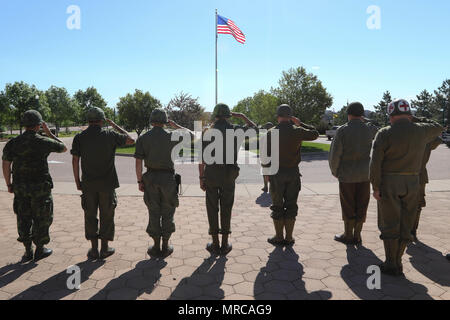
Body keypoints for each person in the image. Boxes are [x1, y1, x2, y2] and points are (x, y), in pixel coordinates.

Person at [370, 99, 443, 276]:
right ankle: (399, 260)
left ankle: (390, 263)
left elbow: (375, 163)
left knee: (389, 223)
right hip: (413, 183)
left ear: (391, 115)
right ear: (409, 114)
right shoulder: (421, 130)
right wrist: (413, 118)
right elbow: (438, 126)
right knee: (406, 222)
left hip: (390, 183)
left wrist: (375, 186)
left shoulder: (384, 133)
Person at [2, 110, 67, 261]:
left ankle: (27, 250)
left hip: (21, 187)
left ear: (24, 125)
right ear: (39, 125)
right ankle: (40, 248)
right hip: (40, 188)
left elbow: (6, 164)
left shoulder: (13, 143)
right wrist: (49, 133)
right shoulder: (43, 141)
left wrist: (8, 184)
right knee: (42, 217)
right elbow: (63, 147)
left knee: (23, 217)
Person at [71, 107, 135, 260]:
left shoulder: (79, 137)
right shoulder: (110, 135)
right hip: (107, 184)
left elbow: (75, 160)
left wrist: (77, 181)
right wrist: (115, 126)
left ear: (88, 120)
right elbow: (131, 139)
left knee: (90, 215)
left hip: (88, 184)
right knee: (107, 215)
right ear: (102, 120)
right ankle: (105, 249)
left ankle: (94, 249)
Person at [199, 103, 256, 255]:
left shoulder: (207, 131)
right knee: (226, 207)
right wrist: (242, 116)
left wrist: (201, 177)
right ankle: (225, 243)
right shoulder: (235, 130)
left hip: (211, 173)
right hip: (229, 174)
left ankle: (215, 243)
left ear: (215, 115)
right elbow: (254, 128)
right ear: (229, 115)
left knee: (212, 207)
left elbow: (201, 159)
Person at [135, 109, 192, 258]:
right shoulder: (173, 136)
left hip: (151, 178)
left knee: (153, 211)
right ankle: (166, 245)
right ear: (165, 121)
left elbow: (138, 162)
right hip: (168, 179)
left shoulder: (143, 138)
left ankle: (155, 245)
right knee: (168, 211)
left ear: (151, 120)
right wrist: (176, 125)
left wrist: (140, 180)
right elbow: (191, 135)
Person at [263, 104, 319, 247]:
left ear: (278, 116)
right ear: (290, 117)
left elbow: (265, 156)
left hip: (276, 174)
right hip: (293, 173)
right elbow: (315, 133)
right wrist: (301, 123)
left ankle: (278, 236)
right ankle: (289, 237)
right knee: (291, 205)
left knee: (277, 205)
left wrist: (266, 173)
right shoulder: (298, 131)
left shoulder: (271, 132)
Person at [329, 102, 378, 245]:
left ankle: (348, 234)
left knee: (348, 204)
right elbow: (376, 128)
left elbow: (335, 154)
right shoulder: (369, 130)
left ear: (348, 114)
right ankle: (357, 235)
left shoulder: (343, 130)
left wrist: (335, 170)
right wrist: (365, 120)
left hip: (347, 174)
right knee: (362, 204)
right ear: (362, 115)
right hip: (365, 174)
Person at [412, 135, 442, 242]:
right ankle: (411, 230)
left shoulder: (407, 135)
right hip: (418, 176)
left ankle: (410, 230)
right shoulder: (426, 139)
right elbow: (438, 139)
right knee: (416, 205)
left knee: (413, 204)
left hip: (407, 176)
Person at [261, 122, 274, 193]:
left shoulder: (264, 136)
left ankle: (266, 186)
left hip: (266, 157)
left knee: (265, 172)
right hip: (273, 157)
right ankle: (270, 187)